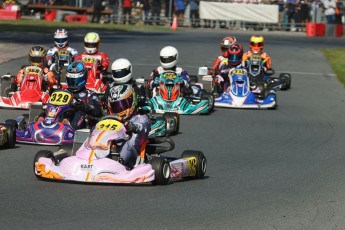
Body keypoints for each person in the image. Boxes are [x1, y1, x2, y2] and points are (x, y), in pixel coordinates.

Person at [37, 62, 102, 130]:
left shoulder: (90, 94)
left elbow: (97, 111)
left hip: (80, 125)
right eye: (70, 80)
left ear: (83, 78)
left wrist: (84, 106)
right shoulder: (62, 92)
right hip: (57, 121)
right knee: (48, 109)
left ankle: (66, 127)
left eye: (75, 80)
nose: (72, 83)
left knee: (79, 110)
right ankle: (39, 125)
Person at [106, 84, 151, 168]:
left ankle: (119, 162)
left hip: (134, 153)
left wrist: (133, 127)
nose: (120, 109)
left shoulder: (141, 118)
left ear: (132, 100)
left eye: (123, 104)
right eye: (116, 106)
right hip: (112, 147)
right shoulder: (110, 119)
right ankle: (87, 159)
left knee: (132, 138)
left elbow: (143, 127)